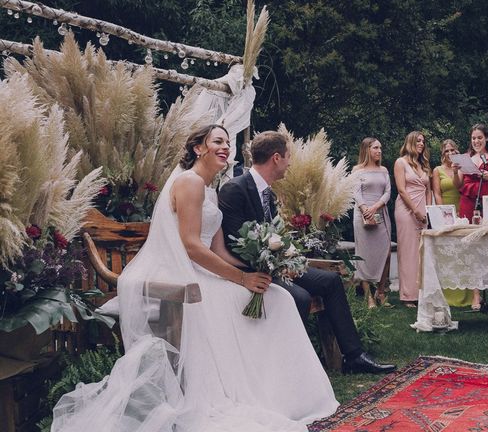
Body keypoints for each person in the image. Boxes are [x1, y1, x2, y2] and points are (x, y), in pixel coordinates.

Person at [51, 125, 338, 432]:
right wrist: (241, 281)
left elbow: (219, 251)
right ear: (199, 148)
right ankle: (258, 393)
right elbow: (190, 247)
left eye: (228, 142)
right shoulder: (189, 182)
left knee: (277, 297)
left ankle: (282, 395)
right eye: (217, 141)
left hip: (205, 271)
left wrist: (256, 273)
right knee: (270, 302)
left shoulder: (211, 190)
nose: (225, 146)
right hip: (183, 276)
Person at [219, 131, 396, 374]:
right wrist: (274, 265)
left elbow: (274, 233)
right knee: (301, 297)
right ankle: (291, 367)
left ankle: (354, 356)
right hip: (254, 270)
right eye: (288, 157)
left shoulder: (268, 192)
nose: (290, 162)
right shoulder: (234, 189)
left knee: (332, 281)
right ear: (277, 158)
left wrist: (287, 257)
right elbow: (236, 242)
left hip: (279, 263)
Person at [452, 123, 488, 310]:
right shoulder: (466, 158)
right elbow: (458, 185)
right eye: (473, 138)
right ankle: (476, 295)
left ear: (486, 138)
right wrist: (454, 171)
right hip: (470, 201)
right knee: (474, 248)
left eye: (479, 138)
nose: (476, 141)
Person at [432, 139, 473, 307]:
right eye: (447, 151)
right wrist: (443, 213)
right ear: (443, 153)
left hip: (462, 208)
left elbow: (459, 186)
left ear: (457, 152)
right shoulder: (437, 170)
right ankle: (448, 294)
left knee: (463, 252)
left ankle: (466, 295)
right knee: (447, 253)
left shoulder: (463, 168)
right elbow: (437, 192)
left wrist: (456, 171)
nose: (450, 154)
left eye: (453, 151)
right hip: (445, 211)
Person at [352, 137, 392, 308]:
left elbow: (388, 192)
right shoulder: (357, 170)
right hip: (362, 214)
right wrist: (364, 208)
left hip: (380, 212)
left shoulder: (383, 170)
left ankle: (381, 292)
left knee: (386, 253)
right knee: (364, 255)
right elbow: (355, 191)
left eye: (380, 148)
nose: (379, 151)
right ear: (367, 149)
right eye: (376, 148)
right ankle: (368, 296)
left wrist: (375, 207)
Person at [394, 131, 431, 308]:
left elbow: (428, 190)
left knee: (421, 251)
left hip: (422, 209)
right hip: (406, 210)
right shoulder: (400, 163)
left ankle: (421, 292)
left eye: (423, 141)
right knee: (408, 251)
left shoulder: (424, 164)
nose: (421, 143)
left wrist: (429, 211)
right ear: (409, 142)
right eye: (418, 141)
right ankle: (408, 295)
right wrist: (415, 210)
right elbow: (401, 190)